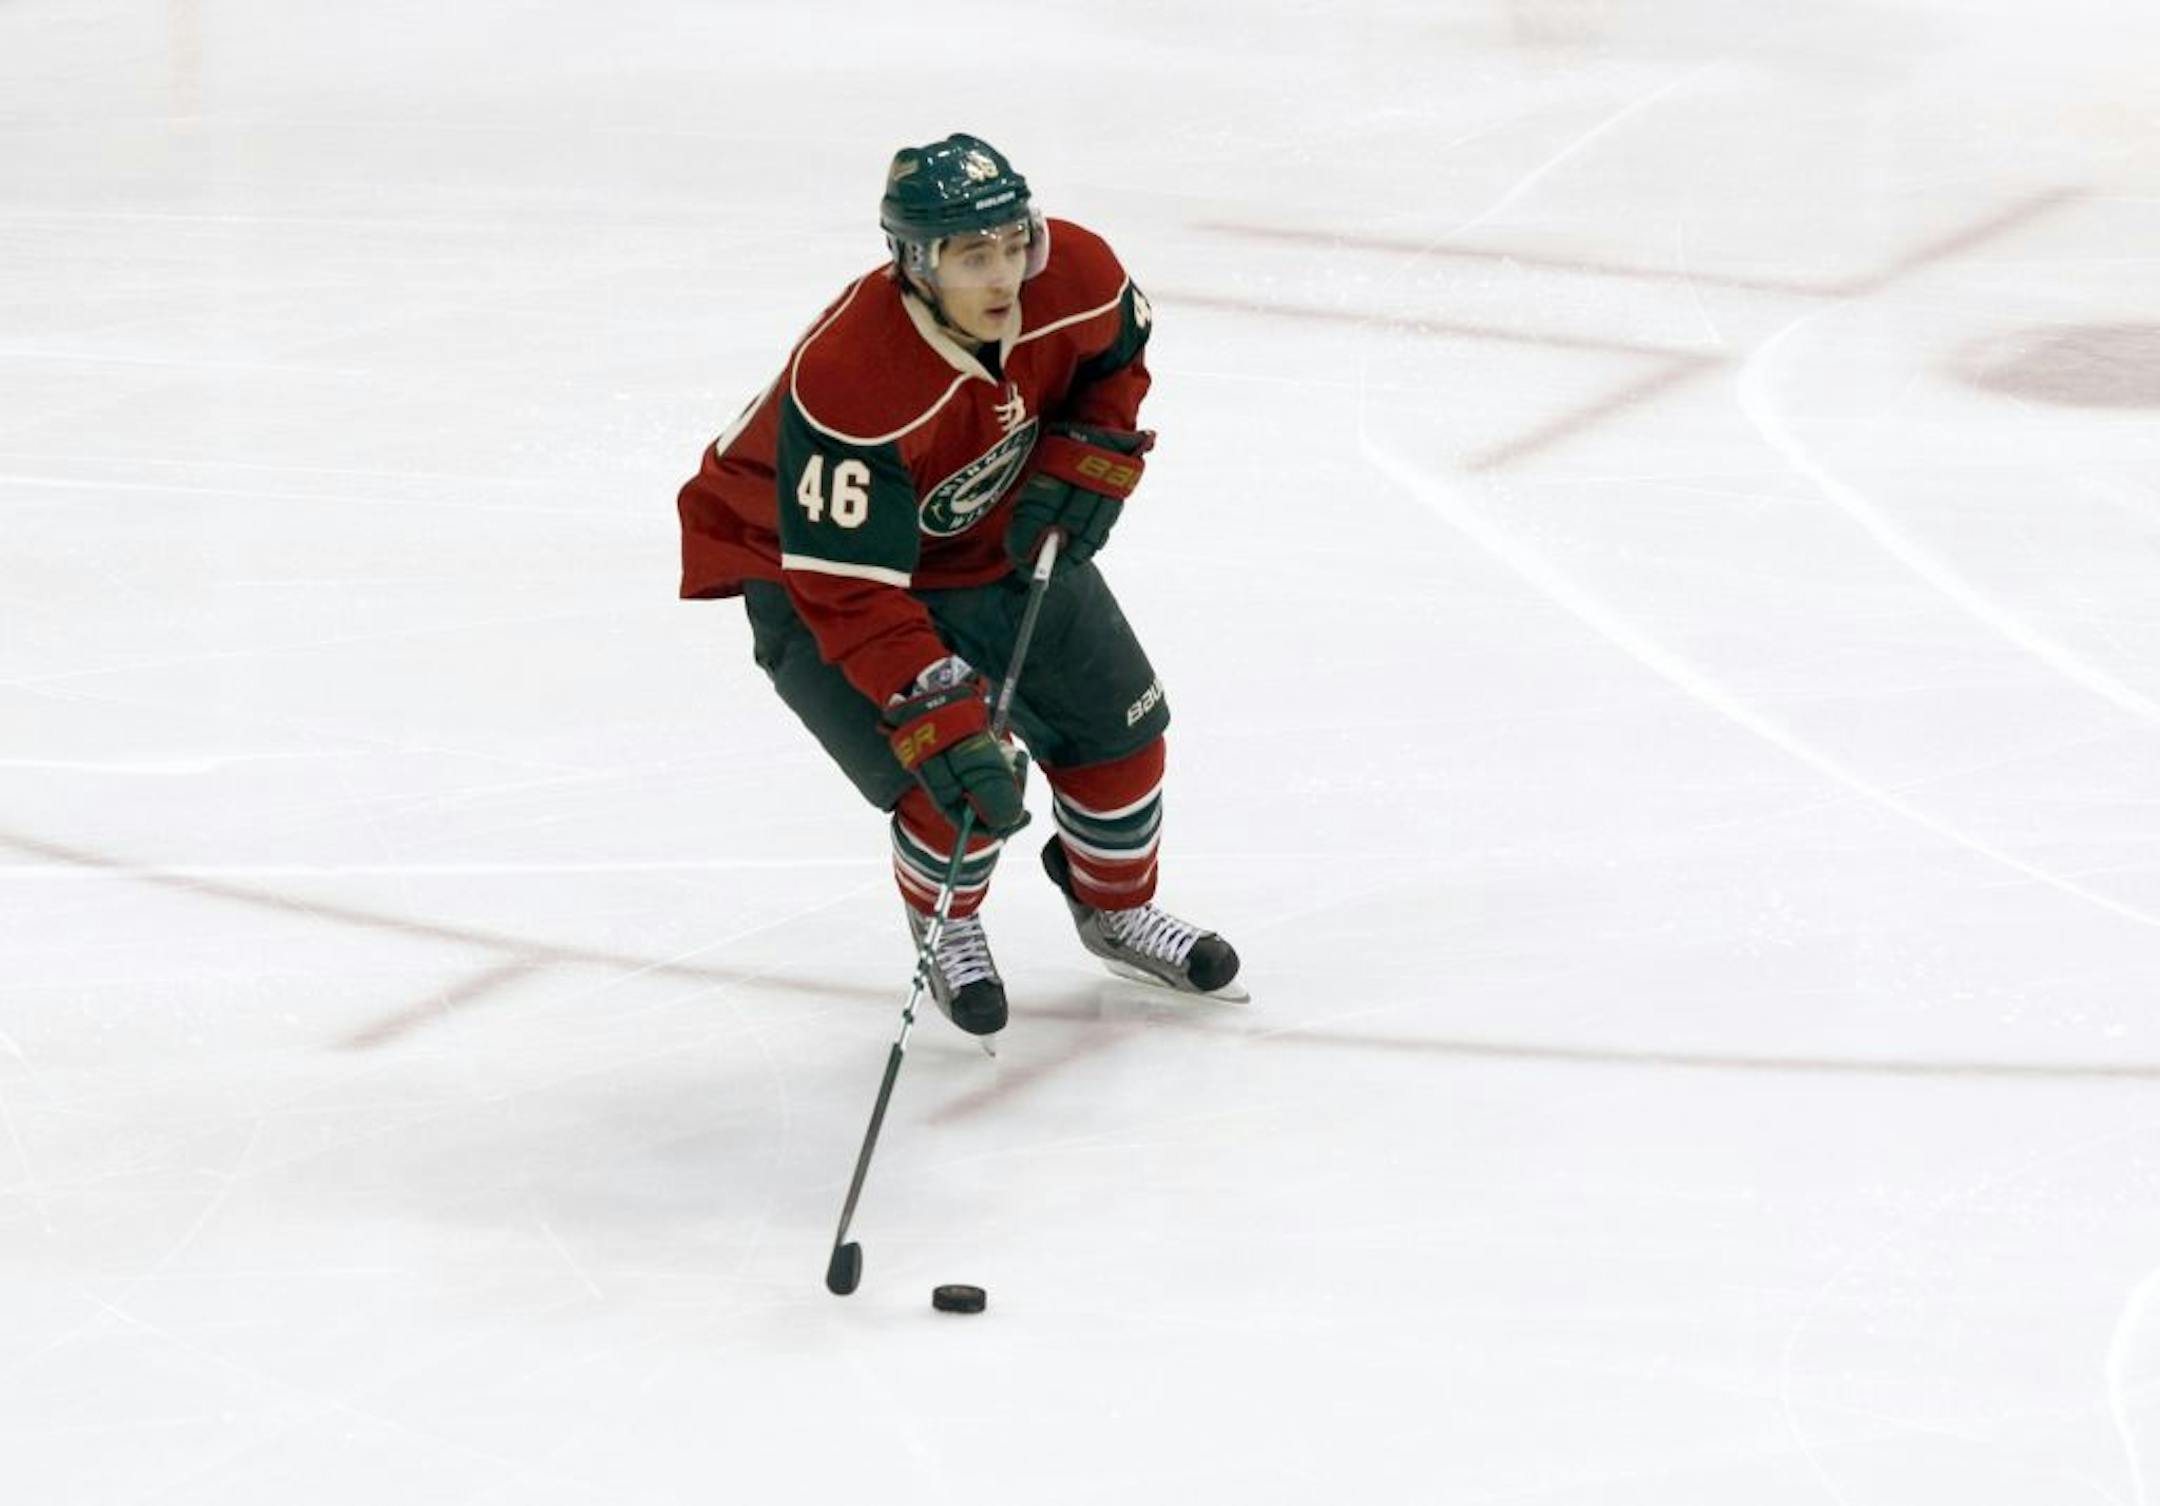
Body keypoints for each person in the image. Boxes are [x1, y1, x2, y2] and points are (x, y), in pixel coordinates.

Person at [676, 132, 1239, 1037]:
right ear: (913, 262)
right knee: (958, 779)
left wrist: (1092, 450)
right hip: (812, 570)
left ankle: (1115, 909)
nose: (1005, 276)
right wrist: (931, 703)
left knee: (1121, 735)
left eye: (1015, 244)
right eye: (973, 256)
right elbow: (851, 592)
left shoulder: (1078, 274)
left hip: (993, 537)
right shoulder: (852, 377)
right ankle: (951, 926)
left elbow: (1115, 359)